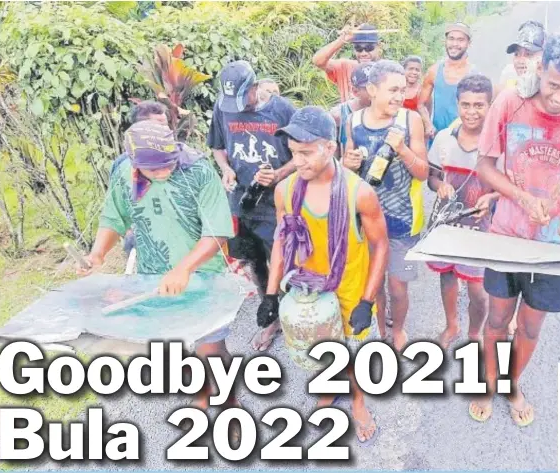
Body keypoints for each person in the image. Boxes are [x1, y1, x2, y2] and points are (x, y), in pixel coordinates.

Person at [470, 27, 560, 427]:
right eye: (553, 85)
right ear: (540, 66)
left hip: (556, 245)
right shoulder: (510, 102)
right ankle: (488, 382)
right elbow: (484, 166)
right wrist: (520, 198)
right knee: (497, 320)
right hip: (506, 237)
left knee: (530, 325)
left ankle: (512, 384)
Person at [77, 120, 239, 414]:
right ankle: (199, 403)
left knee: (211, 350)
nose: (164, 172)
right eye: (155, 169)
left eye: (169, 164)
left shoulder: (199, 172)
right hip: (153, 281)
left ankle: (230, 409)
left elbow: (217, 232)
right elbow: (115, 217)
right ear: (136, 164)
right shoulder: (125, 173)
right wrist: (97, 254)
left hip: (203, 278)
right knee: (175, 348)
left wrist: (185, 269)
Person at [259, 106, 389, 444]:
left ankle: (358, 401)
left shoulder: (359, 192)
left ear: (330, 148)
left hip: (349, 288)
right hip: (306, 288)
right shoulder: (285, 190)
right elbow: (280, 240)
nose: (297, 161)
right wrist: (271, 294)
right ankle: (330, 388)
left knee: (354, 350)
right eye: (293, 153)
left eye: (305, 152)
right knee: (320, 346)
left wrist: (367, 301)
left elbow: (381, 247)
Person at [207, 60, 297, 352]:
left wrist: (280, 174)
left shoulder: (281, 109)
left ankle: (295, 316)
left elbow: (306, 153)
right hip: (242, 201)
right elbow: (218, 147)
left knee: (284, 263)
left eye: (242, 98)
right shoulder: (223, 109)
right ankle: (270, 316)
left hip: (278, 204)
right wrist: (225, 169)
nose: (236, 107)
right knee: (253, 261)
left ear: (255, 88)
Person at [343, 60, 428, 350]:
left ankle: (399, 329)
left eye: (402, 90)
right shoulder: (353, 122)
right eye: (392, 90)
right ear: (372, 89)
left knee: (398, 286)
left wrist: (402, 149)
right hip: (366, 220)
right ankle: (380, 330)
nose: (398, 96)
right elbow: (347, 172)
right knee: (374, 282)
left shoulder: (410, 120)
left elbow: (423, 172)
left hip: (402, 218)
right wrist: (348, 164)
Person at [426, 74, 499, 350]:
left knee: (479, 291)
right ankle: (451, 325)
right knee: (447, 276)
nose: (472, 112)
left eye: (479, 105)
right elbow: (432, 177)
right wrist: (440, 185)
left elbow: (508, 186)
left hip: (482, 230)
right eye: (466, 105)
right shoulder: (444, 138)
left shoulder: (497, 144)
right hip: (447, 225)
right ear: (457, 104)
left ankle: (474, 333)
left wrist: (490, 197)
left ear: (489, 106)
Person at [110, 101, 169, 256]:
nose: (166, 131)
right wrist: (128, 231)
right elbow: (117, 205)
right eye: (158, 127)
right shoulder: (123, 165)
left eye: (166, 126)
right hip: (140, 237)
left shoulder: (183, 161)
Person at [418, 22, 477, 141]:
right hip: (437, 138)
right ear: (445, 41)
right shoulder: (434, 71)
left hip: (464, 139)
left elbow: (481, 110)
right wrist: (428, 124)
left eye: (460, 40)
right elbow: (421, 104)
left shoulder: (474, 75)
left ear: (468, 44)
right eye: (451, 39)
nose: (455, 44)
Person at [312, 23, 382, 102]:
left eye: (369, 48)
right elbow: (318, 61)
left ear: (379, 47)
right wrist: (343, 39)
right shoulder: (345, 67)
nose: (363, 53)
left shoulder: (388, 71)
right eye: (358, 48)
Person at [329, 62, 374, 156]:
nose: (376, 92)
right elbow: (332, 154)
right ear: (355, 91)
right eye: (369, 88)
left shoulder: (390, 111)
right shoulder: (338, 115)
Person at [497, 21, 546, 95]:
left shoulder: (550, 91)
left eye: (529, 54)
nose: (520, 60)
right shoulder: (508, 76)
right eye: (517, 54)